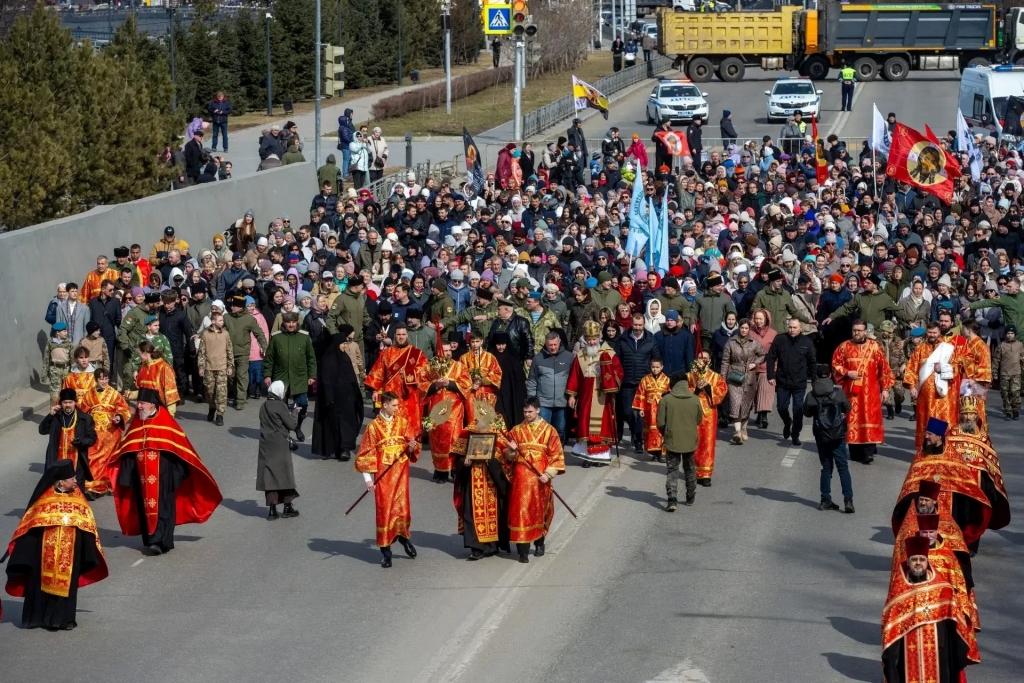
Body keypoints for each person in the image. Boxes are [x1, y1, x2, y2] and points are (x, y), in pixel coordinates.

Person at [111, 389, 222, 555]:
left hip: (164, 477)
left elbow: (180, 448)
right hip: (141, 478)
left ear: (152, 404)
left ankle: (161, 541)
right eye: (138, 403)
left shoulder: (165, 421)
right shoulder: (137, 422)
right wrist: (126, 475)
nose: (139, 407)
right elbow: (128, 448)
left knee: (164, 508)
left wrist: (175, 476)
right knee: (144, 509)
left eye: (142, 403)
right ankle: (150, 540)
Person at [3, 460, 108, 631]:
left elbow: (87, 522)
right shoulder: (44, 500)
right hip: (43, 552)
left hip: (71, 552)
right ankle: (38, 618)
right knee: (39, 583)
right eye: (72, 478)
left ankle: (64, 620)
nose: (76, 481)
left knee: (67, 585)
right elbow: (30, 525)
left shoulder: (78, 497)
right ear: (61, 482)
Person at [881, 536, 974, 683]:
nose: (918, 563)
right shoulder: (898, 590)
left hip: (938, 649)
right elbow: (890, 628)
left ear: (927, 561)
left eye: (922, 559)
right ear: (908, 562)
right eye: (914, 560)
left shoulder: (942, 588)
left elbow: (955, 623)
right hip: (907, 651)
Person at [353, 392, 421, 568]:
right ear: (385, 405)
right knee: (385, 511)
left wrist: (412, 446)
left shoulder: (403, 422)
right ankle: (386, 551)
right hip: (384, 478)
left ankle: (404, 538)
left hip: (401, 475)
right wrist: (368, 480)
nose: (397, 408)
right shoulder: (373, 427)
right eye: (394, 405)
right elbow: (365, 454)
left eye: (398, 405)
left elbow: (413, 445)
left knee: (402, 509)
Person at [505, 397, 565, 563]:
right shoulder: (516, 430)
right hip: (520, 481)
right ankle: (522, 552)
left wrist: (549, 474)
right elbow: (507, 457)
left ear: (538, 410)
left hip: (540, 480)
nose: (527, 414)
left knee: (539, 512)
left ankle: (539, 542)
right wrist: (511, 451)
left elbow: (556, 455)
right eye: (525, 412)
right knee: (521, 513)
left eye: (530, 411)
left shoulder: (549, 431)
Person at [450, 403, 511, 560]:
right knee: (472, 513)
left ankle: (492, 545)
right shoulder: (468, 432)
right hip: (472, 480)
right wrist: (464, 462)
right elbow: (457, 458)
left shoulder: (499, 433)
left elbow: (506, 459)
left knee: (495, 513)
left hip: (492, 481)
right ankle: (476, 548)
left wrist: (492, 460)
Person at [831, 319, 894, 464]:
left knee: (870, 420)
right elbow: (835, 365)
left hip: (871, 393)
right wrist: (847, 372)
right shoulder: (844, 347)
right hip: (851, 393)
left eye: (859, 330)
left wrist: (885, 389)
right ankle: (855, 451)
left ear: (865, 331)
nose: (856, 333)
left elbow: (884, 369)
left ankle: (869, 452)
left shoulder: (874, 347)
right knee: (853, 420)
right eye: (854, 330)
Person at [903, 319, 968, 451]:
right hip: (925, 397)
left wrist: (943, 368)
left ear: (939, 333)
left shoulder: (948, 348)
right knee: (926, 422)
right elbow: (911, 368)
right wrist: (912, 386)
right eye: (930, 332)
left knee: (942, 422)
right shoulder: (920, 349)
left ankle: (943, 451)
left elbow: (957, 368)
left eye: (934, 332)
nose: (932, 335)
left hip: (943, 396)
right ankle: (925, 451)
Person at [567, 320, 624, 466]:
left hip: (603, 397)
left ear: (599, 337)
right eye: (589, 339)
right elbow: (574, 376)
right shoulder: (580, 355)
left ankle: (601, 457)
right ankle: (587, 457)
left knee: (603, 426)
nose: (592, 342)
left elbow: (619, 372)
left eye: (594, 339)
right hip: (586, 397)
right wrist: (572, 395)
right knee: (585, 425)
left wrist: (609, 378)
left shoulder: (609, 353)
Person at [419, 331, 473, 482]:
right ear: (438, 352)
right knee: (437, 440)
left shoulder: (459, 366)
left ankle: (455, 469)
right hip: (436, 409)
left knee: (455, 439)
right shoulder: (430, 367)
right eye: (444, 350)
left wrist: (450, 383)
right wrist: (435, 385)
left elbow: (467, 384)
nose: (447, 353)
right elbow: (421, 384)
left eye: (449, 350)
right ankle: (440, 471)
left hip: (454, 409)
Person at [803, 364, 854, 513]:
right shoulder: (838, 392)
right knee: (843, 467)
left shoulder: (811, 395)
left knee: (826, 467)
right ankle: (848, 500)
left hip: (821, 435)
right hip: (838, 434)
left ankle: (825, 500)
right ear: (830, 375)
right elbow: (848, 408)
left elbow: (807, 413)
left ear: (817, 376)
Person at [263, 311, 317, 443]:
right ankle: (284, 432)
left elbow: (311, 358)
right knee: (281, 407)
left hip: (299, 377)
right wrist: (267, 375)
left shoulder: (304, 337)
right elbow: (269, 359)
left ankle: (297, 426)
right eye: (288, 322)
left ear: (297, 322)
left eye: (293, 322)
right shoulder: (277, 338)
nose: (291, 325)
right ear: (284, 323)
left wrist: (312, 375)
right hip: (281, 377)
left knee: (302, 404)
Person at [312, 327, 365, 462]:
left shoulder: (344, 358)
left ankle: (345, 449)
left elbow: (351, 378)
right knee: (333, 425)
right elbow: (326, 380)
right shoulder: (328, 359)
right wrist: (329, 397)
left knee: (347, 424)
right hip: (333, 400)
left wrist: (356, 394)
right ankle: (333, 449)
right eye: (343, 344)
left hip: (347, 398)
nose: (345, 346)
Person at [366, 323, 428, 435]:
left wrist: (408, 373)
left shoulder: (416, 353)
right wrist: (375, 390)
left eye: (403, 334)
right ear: (394, 336)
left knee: (409, 427)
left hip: (409, 396)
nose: (401, 337)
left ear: (407, 335)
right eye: (399, 334)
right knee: (390, 428)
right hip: (390, 395)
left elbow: (424, 373)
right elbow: (378, 372)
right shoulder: (386, 353)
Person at [78, 368, 131, 498]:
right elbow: (83, 411)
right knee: (93, 457)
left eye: (106, 378)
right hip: (94, 431)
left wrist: (119, 417)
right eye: (101, 379)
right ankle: (93, 486)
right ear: (96, 380)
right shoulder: (89, 394)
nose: (104, 381)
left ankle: (109, 483)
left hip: (111, 432)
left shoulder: (115, 394)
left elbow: (124, 409)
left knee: (109, 459)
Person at [657, 372, 705, 511]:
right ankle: (690, 496)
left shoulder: (666, 400)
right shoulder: (695, 399)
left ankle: (672, 500)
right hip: (690, 441)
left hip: (672, 440)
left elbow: (660, 422)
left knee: (672, 470)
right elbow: (699, 420)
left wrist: (666, 433)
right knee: (690, 469)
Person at [766, 317, 817, 446]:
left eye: (795, 327)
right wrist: (770, 376)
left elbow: (812, 362)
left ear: (800, 328)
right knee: (781, 407)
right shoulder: (780, 339)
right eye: (790, 327)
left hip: (799, 382)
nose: (792, 330)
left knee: (798, 409)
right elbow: (771, 357)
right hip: (783, 381)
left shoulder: (807, 342)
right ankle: (787, 422)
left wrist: (815, 380)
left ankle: (795, 433)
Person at [258, 381, 300, 520]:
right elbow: (291, 424)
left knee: (270, 478)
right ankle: (287, 507)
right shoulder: (280, 405)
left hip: (266, 445)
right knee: (284, 475)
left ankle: (272, 510)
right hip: (280, 445)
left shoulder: (263, 406)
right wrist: (295, 412)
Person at [39, 387, 97, 487]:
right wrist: (50, 415)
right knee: (57, 488)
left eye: (70, 402)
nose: (68, 405)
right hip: (57, 460)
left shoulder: (85, 418)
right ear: (61, 403)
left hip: (77, 461)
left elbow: (92, 438)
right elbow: (42, 430)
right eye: (65, 402)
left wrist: (81, 442)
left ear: (75, 402)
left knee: (77, 489)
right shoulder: (56, 417)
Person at [617, 313, 659, 455]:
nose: (637, 327)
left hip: (643, 382)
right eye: (635, 324)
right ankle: (635, 432)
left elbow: (656, 359)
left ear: (644, 325)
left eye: (640, 325)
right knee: (627, 412)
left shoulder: (650, 340)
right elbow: (617, 360)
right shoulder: (623, 339)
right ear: (631, 324)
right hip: (627, 382)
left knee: (640, 415)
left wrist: (653, 377)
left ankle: (638, 441)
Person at [721, 318, 765, 445]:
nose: (744, 330)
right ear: (738, 328)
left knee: (746, 404)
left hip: (749, 377)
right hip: (734, 376)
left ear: (749, 329)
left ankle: (744, 428)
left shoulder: (754, 343)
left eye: (746, 328)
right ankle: (737, 432)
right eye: (742, 328)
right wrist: (722, 378)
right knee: (735, 403)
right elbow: (725, 361)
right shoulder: (731, 342)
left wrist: (755, 364)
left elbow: (762, 355)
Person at [687, 352, 728, 485]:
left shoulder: (715, 377)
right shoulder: (690, 376)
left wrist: (708, 387)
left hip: (709, 413)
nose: (703, 360)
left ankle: (705, 474)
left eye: (705, 358)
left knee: (707, 442)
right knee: (692, 441)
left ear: (709, 360)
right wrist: (696, 389)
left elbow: (722, 391)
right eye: (700, 358)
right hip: (692, 412)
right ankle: (693, 471)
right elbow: (684, 391)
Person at [526, 332, 573, 443]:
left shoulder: (569, 357)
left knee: (560, 430)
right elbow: (532, 380)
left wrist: (572, 396)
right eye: (550, 345)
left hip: (562, 402)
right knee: (542, 431)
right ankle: (542, 452)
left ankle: (558, 452)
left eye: (555, 344)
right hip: (543, 403)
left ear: (559, 342)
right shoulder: (538, 358)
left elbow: (574, 379)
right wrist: (532, 400)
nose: (553, 347)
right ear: (545, 344)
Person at [224, 294, 268, 410]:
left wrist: (264, 346)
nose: (232, 307)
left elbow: (259, 333)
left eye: (234, 305)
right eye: (231, 305)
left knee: (242, 376)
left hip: (243, 353)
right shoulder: (226, 317)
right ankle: (234, 395)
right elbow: (217, 329)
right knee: (231, 376)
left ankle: (240, 400)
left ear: (240, 307)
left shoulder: (249, 319)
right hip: (228, 353)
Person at [198, 310, 234, 426]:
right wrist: (201, 366)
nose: (222, 322)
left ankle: (220, 414)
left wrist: (230, 365)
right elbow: (202, 352)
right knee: (209, 392)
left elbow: (229, 350)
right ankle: (212, 407)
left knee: (221, 393)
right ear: (213, 321)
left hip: (222, 367)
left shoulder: (225, 334)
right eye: (220, 320)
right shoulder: (205, 334)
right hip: (209, 368)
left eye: (222, 320)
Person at [631, 357, 671, 461]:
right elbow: (641, 394)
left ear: (662, 367)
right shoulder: (645, 379)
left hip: (662, 408)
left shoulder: (667, 380)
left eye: (657, 367)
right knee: (650, 430)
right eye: (653, 367)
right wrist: (641, 409)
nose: (655, 369)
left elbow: (670, 394)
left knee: (662, 429)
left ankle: (662, 453)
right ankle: (654, 452)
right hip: (649, 409)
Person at [462, 331, 504, 420]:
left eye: (477, 341)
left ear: (482, 341)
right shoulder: (464, 358)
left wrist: (482, 380)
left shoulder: (490, 357)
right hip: (471, 392)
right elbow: (461, 375)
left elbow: (497, 373)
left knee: (486, 419)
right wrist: (470, 384)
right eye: (473, 342)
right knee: (472, 418)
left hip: (486, 392)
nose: (475, 344)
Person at [135, 341, 180, 414]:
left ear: (145, 353)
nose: (139, 357)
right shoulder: (143, 367)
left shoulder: (164, 367)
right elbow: (143, 392)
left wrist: (170, 414)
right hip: (144, 410)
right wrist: (128, 394)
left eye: (139, 354)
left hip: (160, 410)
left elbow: (171, 393)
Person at [995, 325, 1023, 419]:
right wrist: (994, 373)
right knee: (1005, 393)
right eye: (1008, 333)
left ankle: (1015, 410)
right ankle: (1008, 411)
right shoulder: (1001, 346)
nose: (1010, 335)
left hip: (1016, 373)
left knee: (1015, 392)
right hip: (1004, 374)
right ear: (1005, 334)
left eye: (1012, 333)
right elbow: (996, 360)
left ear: (1015, 334)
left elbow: (1022, 358)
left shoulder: (1019, 345)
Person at [44, 322, 74, 405]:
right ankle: (54, 410)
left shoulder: (68, 343)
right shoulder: (50, 343)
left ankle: (65, 410)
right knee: (55, 393)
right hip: (54, 370)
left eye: (66, 331)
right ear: (57, 333)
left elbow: (72, 359)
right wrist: (45, 374)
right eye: (64, 331)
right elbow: (46, 359)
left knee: (67, 392)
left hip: (66, 369)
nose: (66, 333)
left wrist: (73, 371)